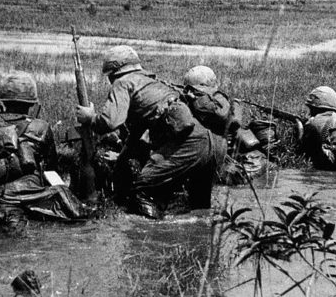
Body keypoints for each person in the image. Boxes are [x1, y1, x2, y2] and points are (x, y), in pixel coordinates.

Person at [76, 46, 225, 219]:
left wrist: (90, 117)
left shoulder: (123, 82)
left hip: (190, 147)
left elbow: (110, 122)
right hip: (214, 145)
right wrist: (121, 160)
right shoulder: (152, 83)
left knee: (142, 191)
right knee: (200, 209)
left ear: (113, 72)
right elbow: (136, 136)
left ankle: (151, 236)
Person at [0, 72, 85, 230]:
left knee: (14, 228)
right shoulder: (41, 127)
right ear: (32, 104)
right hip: (36, 195)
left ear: (2, 102)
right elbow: (51, 168)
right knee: (77, 215)